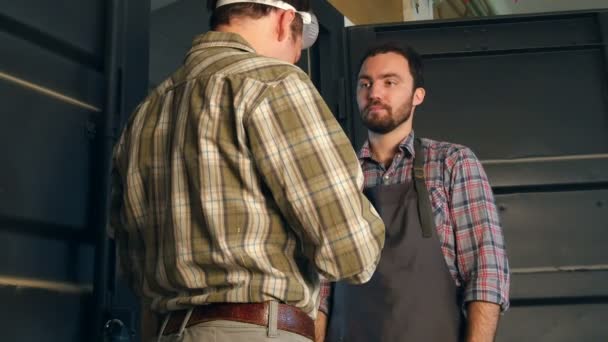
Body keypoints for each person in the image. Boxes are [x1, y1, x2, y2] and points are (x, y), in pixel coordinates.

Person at [109, 1, 385, 341]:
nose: (297, 57)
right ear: (285, 22)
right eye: (298, 43)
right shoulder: (275, 82)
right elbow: (352, 253)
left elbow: (133, 266)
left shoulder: (145, 114)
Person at [321, 43, 510, 342]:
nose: (375, 93)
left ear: (417, 95)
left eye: (390, 82)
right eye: (365, 84)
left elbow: (486, 272)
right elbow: (322, 288)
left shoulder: (452, 162)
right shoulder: (337, 177)